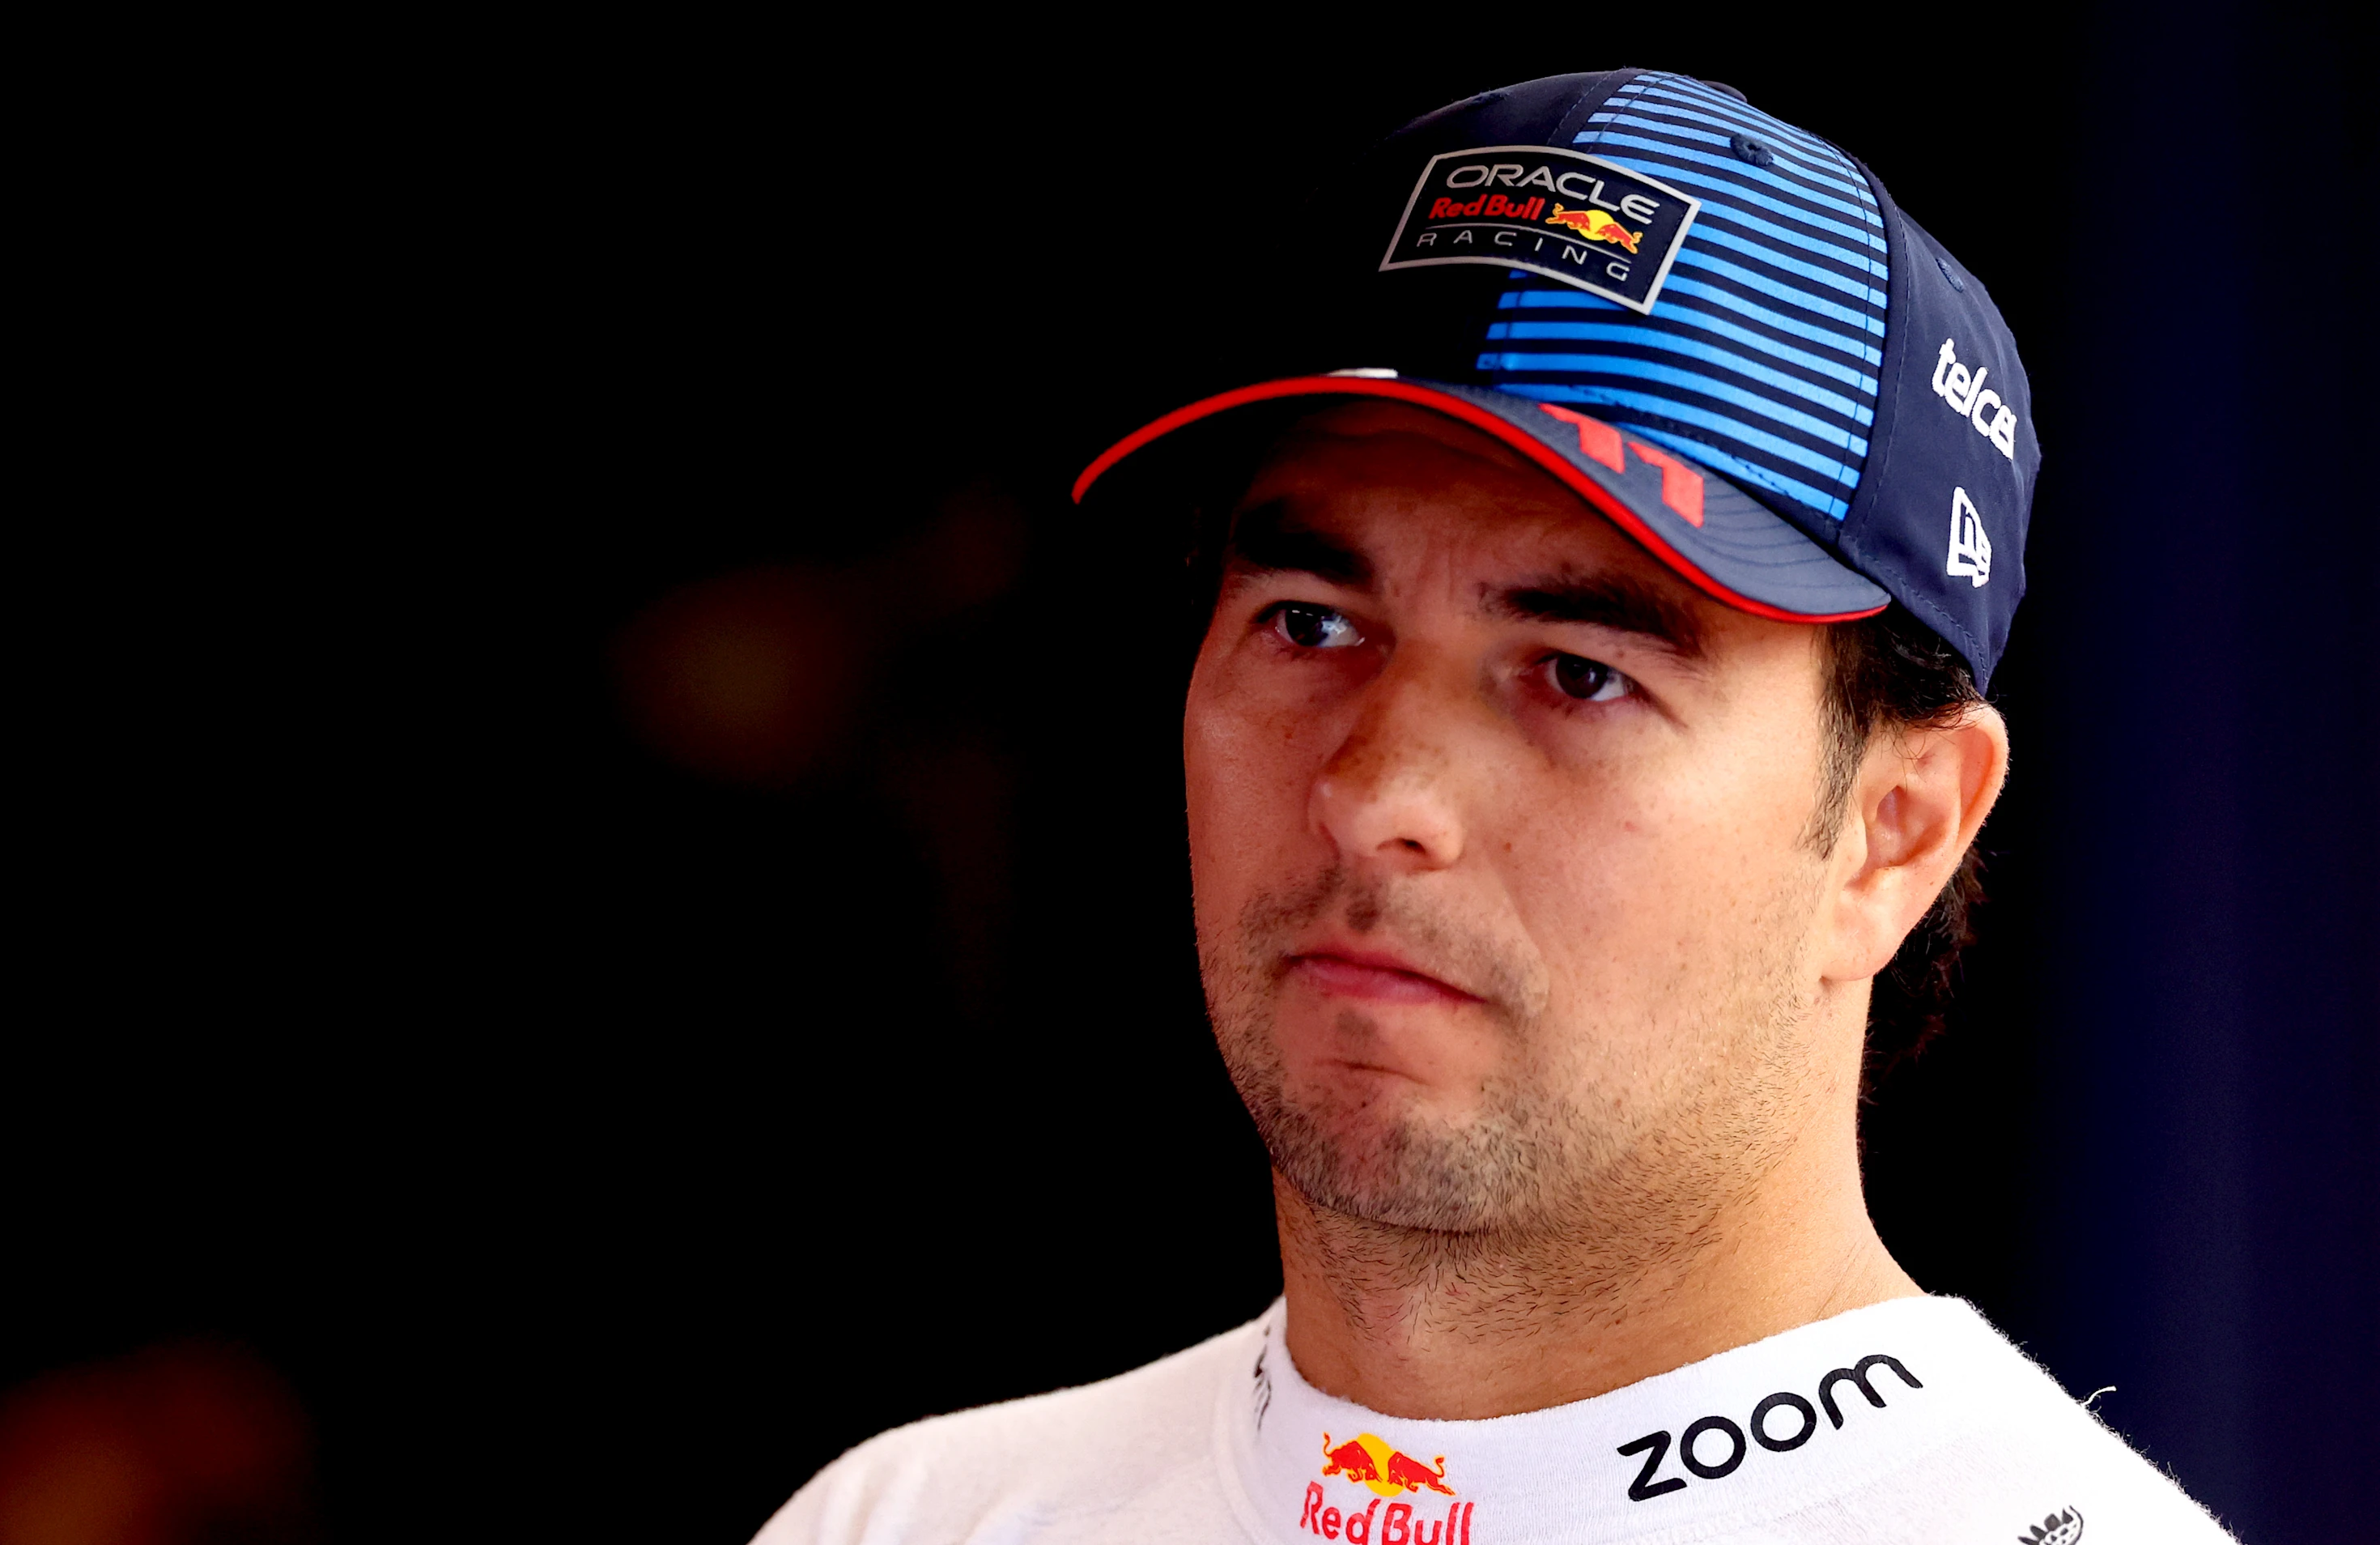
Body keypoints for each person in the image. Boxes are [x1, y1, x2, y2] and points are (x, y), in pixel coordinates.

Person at [756, 70, 2233, 1544]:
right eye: (1310, 623)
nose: (1376, 795)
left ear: (1894, 832)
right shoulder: (906, 1524)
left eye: (1582, 674)